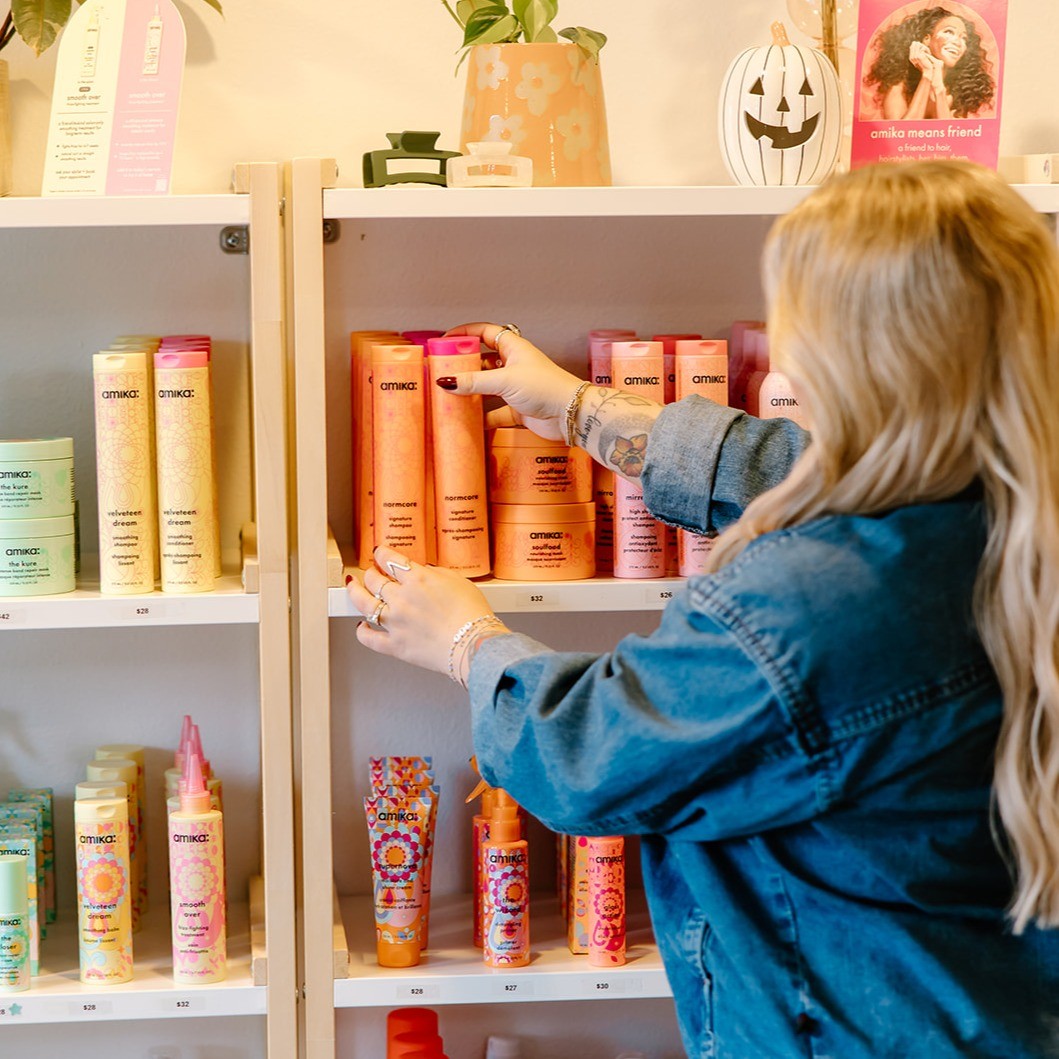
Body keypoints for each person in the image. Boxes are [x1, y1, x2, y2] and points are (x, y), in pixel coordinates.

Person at [346, 160, 1059, 1057]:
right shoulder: (1013, 505)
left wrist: (464, 639)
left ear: (847, 356)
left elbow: (589, 752)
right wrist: (580, 410)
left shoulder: (808, 603)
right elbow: (801, 461)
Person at [862, 6, 995, 119]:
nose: (958, 42)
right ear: (927, 39)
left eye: (963, 38)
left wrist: (938, 87)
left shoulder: (961, 91)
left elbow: (951, 138)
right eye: (949, 32)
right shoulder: (899, 85)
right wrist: (927, 75)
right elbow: (901, 135)